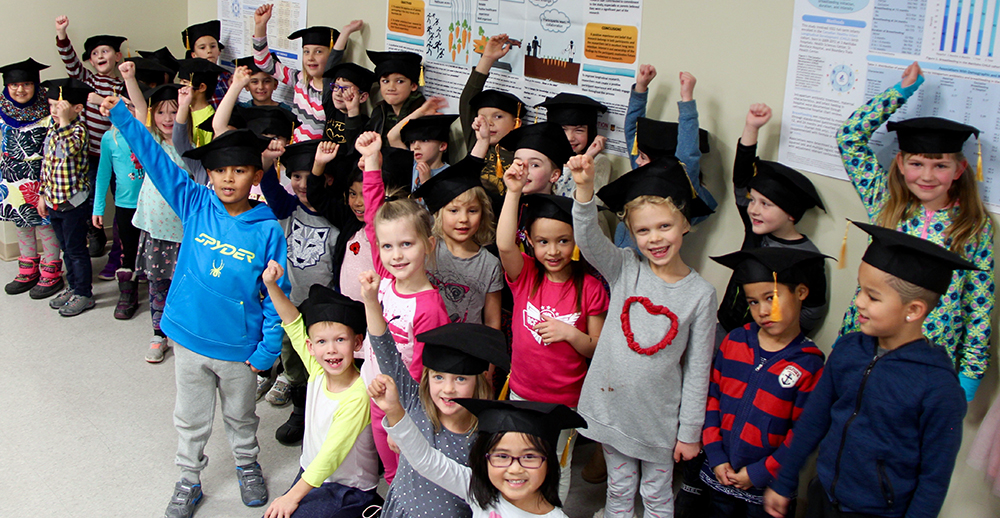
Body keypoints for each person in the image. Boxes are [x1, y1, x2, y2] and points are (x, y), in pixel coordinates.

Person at [104, 97, 291, 518]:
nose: (228, 179)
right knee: (189, 419)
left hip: (238, 350)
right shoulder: (194, 203)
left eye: (239, 170)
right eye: (220, 170)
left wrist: (265, 352)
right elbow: (155, 159)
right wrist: (122, 116)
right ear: (208, 174)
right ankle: (189, 478)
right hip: (187, 339)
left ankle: (247, 465)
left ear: (256, 176)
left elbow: (277, 297)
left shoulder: (267, 232)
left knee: (241, 417)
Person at [764, 221, 971, 518]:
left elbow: (934, 478)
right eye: (861, 290)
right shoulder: (849, 349)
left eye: (873, 297)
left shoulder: (938, 386)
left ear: (913, 310)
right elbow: (813, 420)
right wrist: (784, 480)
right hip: (822, 495)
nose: (859, 302)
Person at [837, 61, 994, 402]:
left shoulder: (973, 227)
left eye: (940, 165)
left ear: (959, 169)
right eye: (917, 163)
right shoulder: (886, 203)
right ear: (900, 164)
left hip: (925, 359)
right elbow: (849, 138)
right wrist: (901, 91)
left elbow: (979, 306)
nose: (927, 175)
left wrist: (968, 379)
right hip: (865, 341)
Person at [570, 156, 717, 517]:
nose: (655, 239)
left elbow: (699, 370)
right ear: (632, 234)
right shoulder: (624, 268)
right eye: (643, 231)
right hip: (614, 410)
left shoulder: (700, 294)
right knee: (618, 491)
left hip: (658, 422)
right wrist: (584, 191)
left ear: (685, 223)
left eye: (664, 226)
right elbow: (588, 240)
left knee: (656, 494)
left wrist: (690, 432)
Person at [497, 170, 608, 502]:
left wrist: (570, 334)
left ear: (577, 241)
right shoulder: (526, 274)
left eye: (564, 240)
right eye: (543, 242)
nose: (554, 251)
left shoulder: (589, 288)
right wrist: (514, 191)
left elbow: (597, 348)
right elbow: (504, 243)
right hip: (522, 392)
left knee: (556, 464)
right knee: (521, 459)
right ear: (530, 241)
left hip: (565, 400)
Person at [361, 285, 506, 518]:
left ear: (479, 382)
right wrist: (370, 301)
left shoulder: (485, 437)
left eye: (460, 378)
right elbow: (385, 349)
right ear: (427, 378)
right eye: (438, 377)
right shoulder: (415, 402)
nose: (448, 389)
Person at [702, 248, 828, 517]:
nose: (762, 311)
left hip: (766, 489)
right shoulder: (735, 341)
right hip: (720, 473)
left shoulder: (808, 364)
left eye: (770, 298)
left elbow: (803, 432)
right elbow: (712, 398)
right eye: (753, 302)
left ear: (801, 293)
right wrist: (715, 454)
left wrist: (761, 471)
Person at [357, 130, 450, 484]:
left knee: (409, 469)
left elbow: (426, 372)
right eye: (388, 247)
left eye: (406, 244)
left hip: (405, 406)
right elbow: (372, 218)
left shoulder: (429, 305)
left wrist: (401, 418)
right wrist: (372, 162)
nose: (396, 255)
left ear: (427, 245)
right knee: (389, 467)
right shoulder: (383, 276)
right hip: (374, 389)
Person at [261, 266, 380, 518]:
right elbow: (293, 323)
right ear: (310, 346)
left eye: (341, 340)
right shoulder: (316, 370)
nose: (331, 350)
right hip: (312, 472)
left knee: (290, 509)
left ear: (357, 342)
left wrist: (291, 497)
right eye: (322, 342)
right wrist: (272, 285)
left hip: (349, 487)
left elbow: (331, 455)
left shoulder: (358, 394)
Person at [372, 387, 586, 518]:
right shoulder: (479, 491)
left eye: (529, 456)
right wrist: (394, 411)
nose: (515, 469)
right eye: (502, 456)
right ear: (485, 460)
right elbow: (426, 460)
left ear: (548, 462)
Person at [717, 103, 827, 338]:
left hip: (767, 343)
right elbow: (741, 180)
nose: (753, 210)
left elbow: (813, 310)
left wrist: (776, 338)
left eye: (765, 204)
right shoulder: (755, 231)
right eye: (753, 200)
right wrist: (751, 128)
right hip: (725, 328)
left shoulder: (808, 258)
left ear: (791, 214)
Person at [259, 139, 341, 446]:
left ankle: (327, 414)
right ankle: (300, 411)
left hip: (326, 310)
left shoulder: (336, 215)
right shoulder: (287, 207)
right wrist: (269, 158)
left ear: (327, 178)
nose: (303, 184)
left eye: (310, 177)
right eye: (296, 177)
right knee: (293, 360)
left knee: (326, 361)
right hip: (292, 304)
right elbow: (267, 182)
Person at [54, 15, 126, 260]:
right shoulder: (88, 80)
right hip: (89, 155)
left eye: (104, 51)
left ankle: (122, 238)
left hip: (116, 153)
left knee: (120, 196)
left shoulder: (121, 85)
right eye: (94, 54)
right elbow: (70, 62)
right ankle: (95, 234)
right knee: (90, 197)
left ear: (117, 56)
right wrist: (62, 34)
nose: (99, 57)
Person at [132, 82, 188, 363]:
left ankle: (180, 332)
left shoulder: (188, 146)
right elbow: (140, 109)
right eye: (162, 112)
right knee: (158, 284)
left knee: (183, 285)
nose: (167, 118)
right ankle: (158, 333)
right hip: (155, 229)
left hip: (184, 232)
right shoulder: (150, 144)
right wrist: (130, 78)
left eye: (174, 111)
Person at [412, 155, 502, 326]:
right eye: (454, 211)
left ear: (483, 213)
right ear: (439, 213)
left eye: (472, 211)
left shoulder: (490, 265)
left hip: (468, 346)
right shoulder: (425, 251)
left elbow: (492, 322)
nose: (463, 219)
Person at [0, 58, 63, 298]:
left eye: (26, 84)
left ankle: (51, 270)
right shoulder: (2, 109)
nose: (20, 89)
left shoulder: (48, 110)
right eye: (14, 85)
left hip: (41, 174)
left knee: (46, 224)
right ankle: (27, 268)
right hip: (12, 175)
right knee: (22, 224)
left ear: (36, 86)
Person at [253, 3, 363, 141]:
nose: (310, 57)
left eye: (318, 52)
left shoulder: (333, 90)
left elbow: (331, 65)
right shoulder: (299, 79)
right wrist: (260, 26)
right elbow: (263, 63)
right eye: (306, 51)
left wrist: (345, 33)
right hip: (294, 149)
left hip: (317, 153)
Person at [93, 65, 147, 320]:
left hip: (151, 205)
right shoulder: (108, 139)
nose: (127, 110)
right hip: (126, 206)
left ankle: (159, 286)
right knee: (128, 247)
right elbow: (103, 175)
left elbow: (142, 108)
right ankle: (128, 292)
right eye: (122, 106)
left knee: (154, 247)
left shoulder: (145, 133)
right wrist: (98, 209)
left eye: (131, 106)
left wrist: (129, 78)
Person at [38, 78, 95, 316]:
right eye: (51, 106)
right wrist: (42, 194)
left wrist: (63, 121)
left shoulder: (79, 130)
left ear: (77, 109)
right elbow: (47, 164)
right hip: (53, 201)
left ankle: (84, 293)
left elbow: (68, 150)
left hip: (73, 202)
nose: (54, 112)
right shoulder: (52, 128)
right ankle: (72, 287)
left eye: (59, 107)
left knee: (76, 249)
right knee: (65, 249)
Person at [458, 34, 524, 192]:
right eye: (483, 117)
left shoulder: (522, 154)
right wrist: (487, 58)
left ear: (517, 122)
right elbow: (467, 100)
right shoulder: (477, 143)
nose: (489, 123)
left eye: (498, 116)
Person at [537, 92, 610, 199]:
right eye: (562, 129)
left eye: (579, 130)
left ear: (590, 132)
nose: (570, 138)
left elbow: (586, 205)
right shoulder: (541, 157)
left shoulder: (598, 161)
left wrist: (586, 159)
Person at [385, 98, 456, 192]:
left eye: (424, 140)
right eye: (412, 142)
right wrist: (421, 111)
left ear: (442, 146)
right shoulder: (412, 165)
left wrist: (427, 182)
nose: (416, 147)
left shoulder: (449, 175)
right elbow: (392, 136)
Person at [484, 122, 573, 196]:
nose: (523, 170)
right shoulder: (502, 206)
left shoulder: (559, 213)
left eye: (535, 165)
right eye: (518, 163)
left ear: (554, 175)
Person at [364, 50, 426, 138]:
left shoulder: (423, 115)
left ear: (413, 86)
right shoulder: (379, 113)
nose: (391, 88)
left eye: (400, 81)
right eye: (385, 81)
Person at [180, 20, 231, 109]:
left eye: (213, 46)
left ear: (219, 51)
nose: (209, 51)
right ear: (193, 55)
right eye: (202, 48)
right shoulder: (190, 79)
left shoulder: (226, 77)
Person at [322, 62, 374, 147]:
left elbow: (354, 150)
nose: (338, 93)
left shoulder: (366, 125)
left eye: (346, 90)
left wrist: (352, 110)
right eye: (336, 87)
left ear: (362, 97)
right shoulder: (331, 109)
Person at [176, 58, 225, 148]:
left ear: (202, 87)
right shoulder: (180, 108)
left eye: (185, 82)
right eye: (180, 81)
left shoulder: (209, 119)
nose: (180, 87)